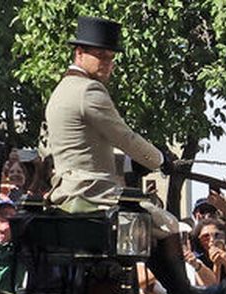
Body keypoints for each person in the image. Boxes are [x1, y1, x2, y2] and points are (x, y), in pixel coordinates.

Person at [40, 16, 175, 212]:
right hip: (93, 194)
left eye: (111, 58)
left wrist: (132, 164)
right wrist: (159, 159)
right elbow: (125, 138)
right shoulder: (88, 90)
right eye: (101, 56)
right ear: (79, 53)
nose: (108, 63)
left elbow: (85, 154)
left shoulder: (61, 90)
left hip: (66, 191)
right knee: (170, 225)